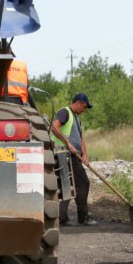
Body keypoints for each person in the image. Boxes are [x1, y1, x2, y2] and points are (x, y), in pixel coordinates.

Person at [52, 92, 96, 226]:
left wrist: (85, 155)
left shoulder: (76, 118)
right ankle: (83, 217)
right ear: (78, 103)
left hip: (73, 155)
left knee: (67, 186)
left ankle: (62, 217)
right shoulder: (65, 112)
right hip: (64, 153)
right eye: (83, 107)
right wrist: (67, 142)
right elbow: (54, 127)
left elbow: (81, 138)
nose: (84, 110)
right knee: (83, 183)